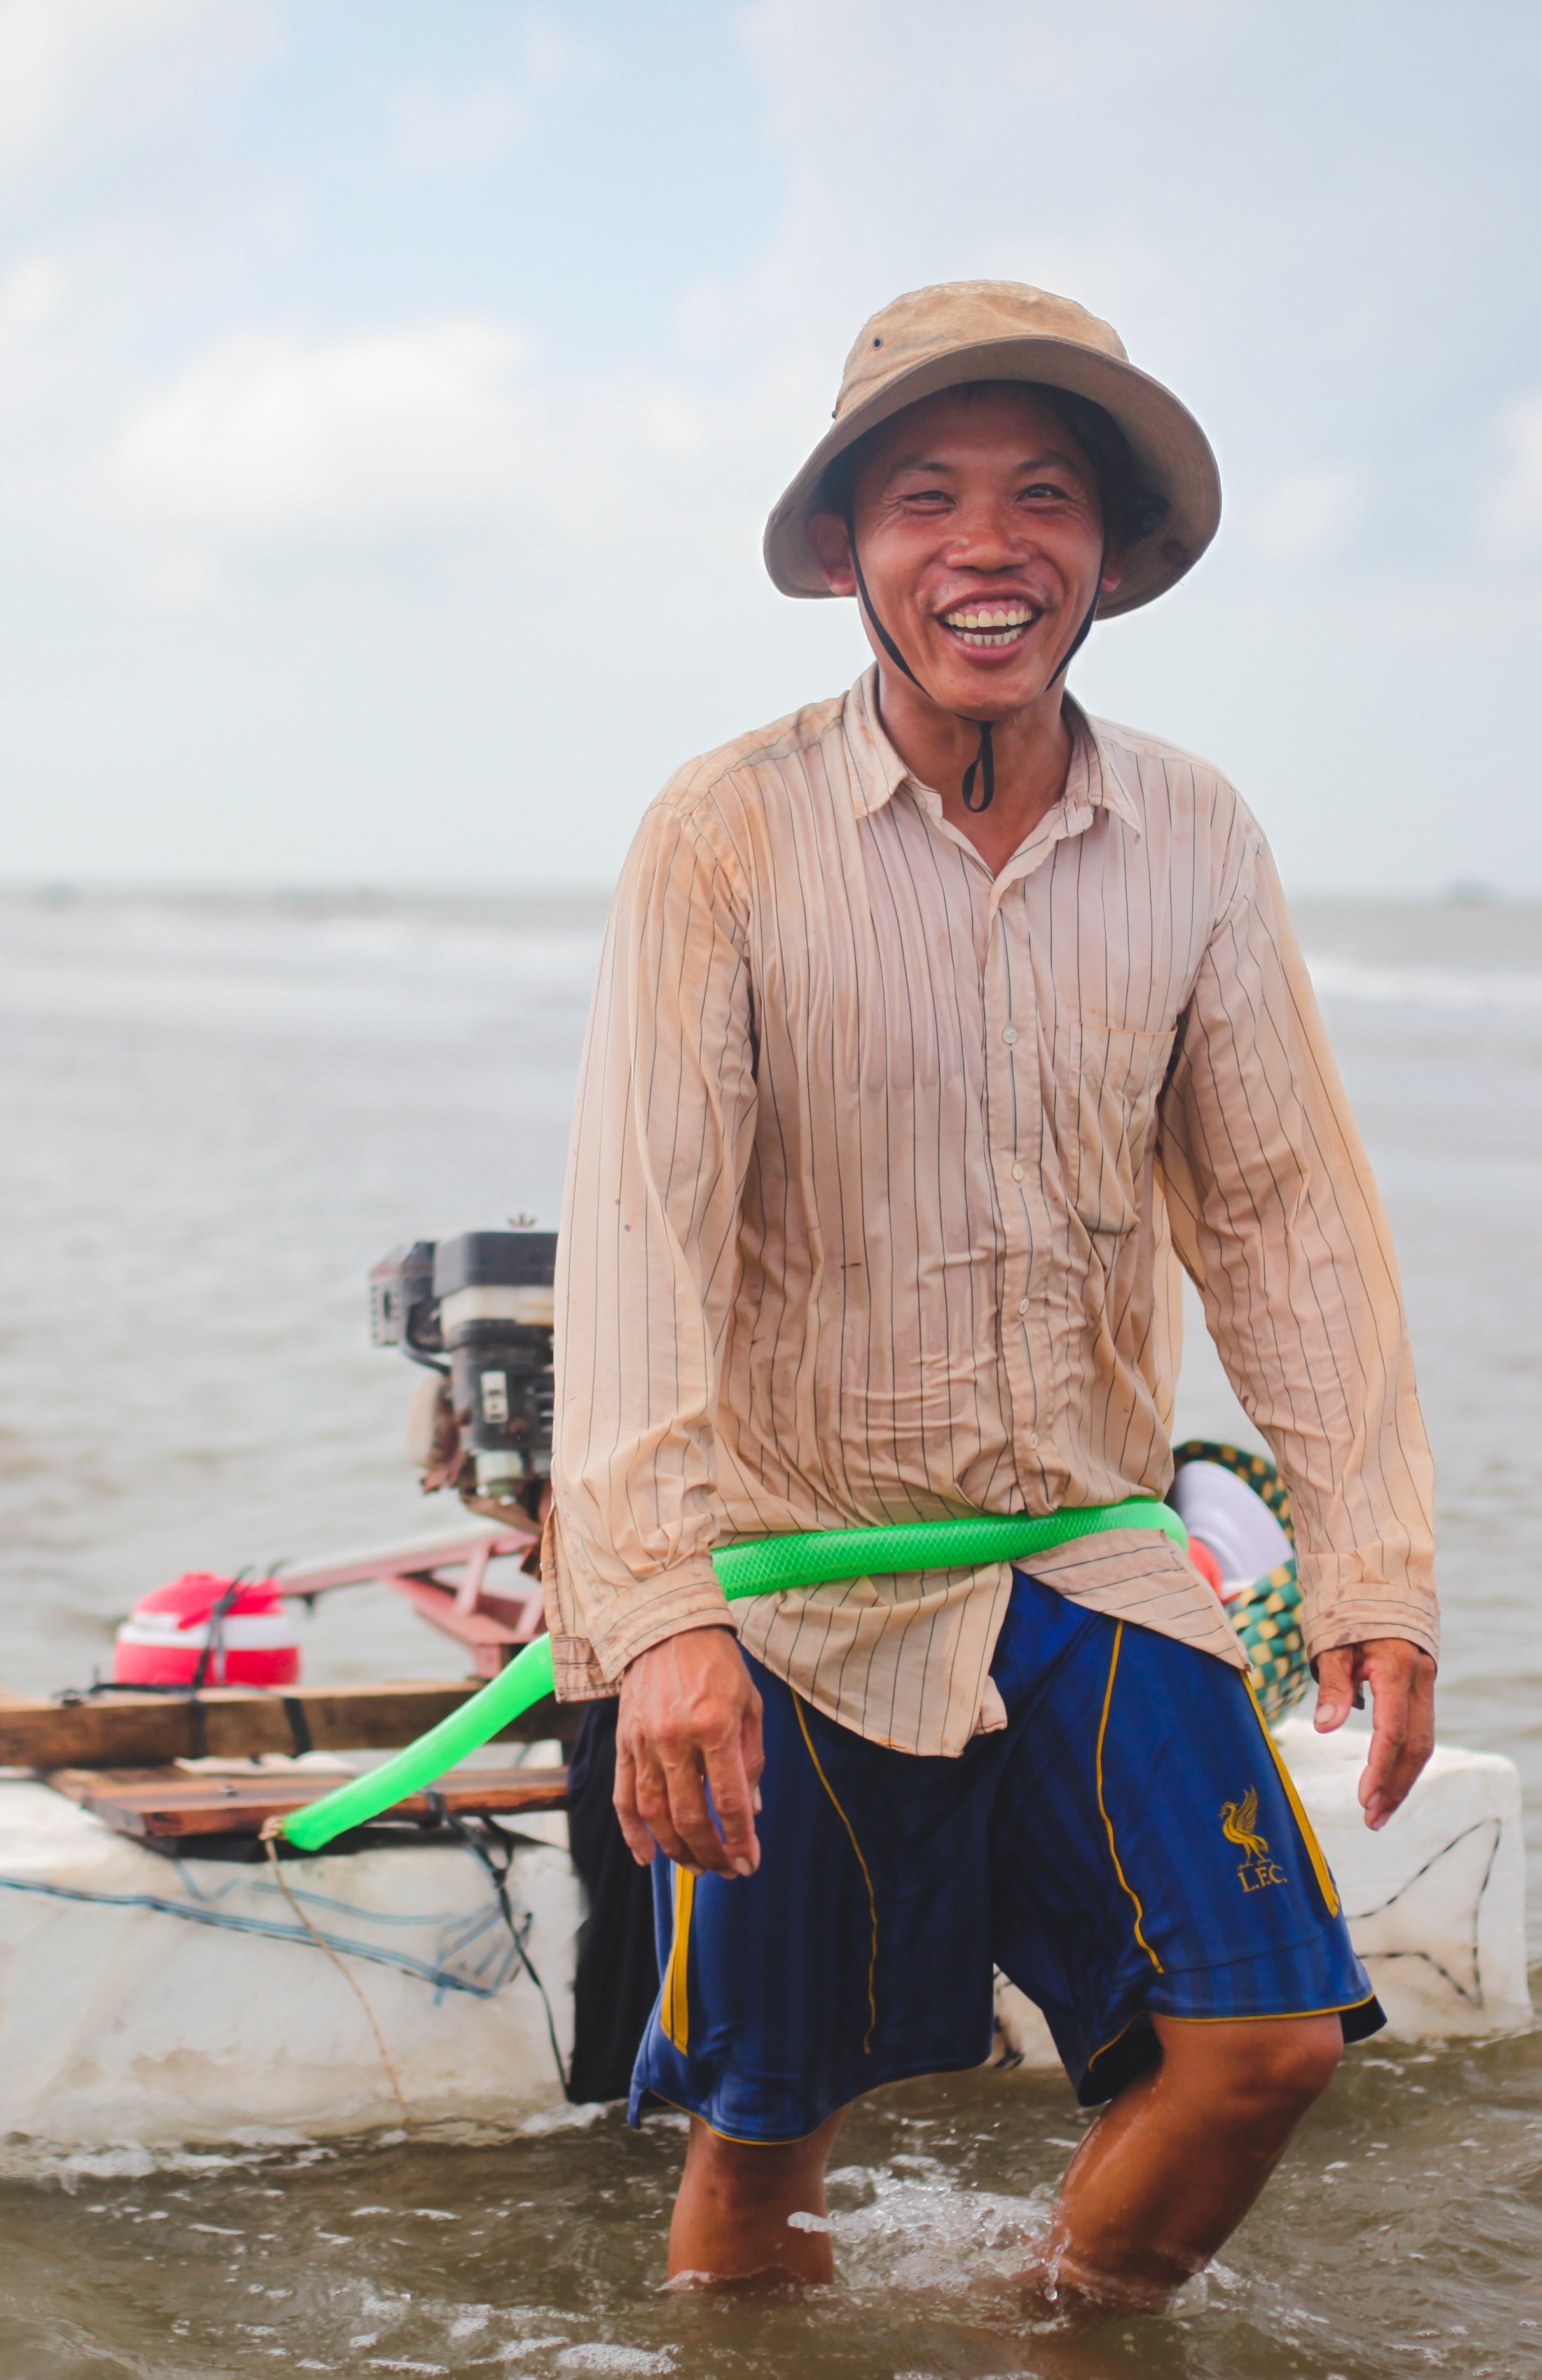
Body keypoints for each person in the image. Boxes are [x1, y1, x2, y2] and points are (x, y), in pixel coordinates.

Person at [546, 282, 1442, 2311]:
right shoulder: (721, 835)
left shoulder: (1195, 832)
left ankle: (1063, 2340)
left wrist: (1377, 1565)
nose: (987, 547)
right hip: (797, 1580)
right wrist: (665, 1615)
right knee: (766, 2137)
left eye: (1043, 496)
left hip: (1089, 1551)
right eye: (926, 498)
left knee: (1265, 2045)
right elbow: (642, 1243)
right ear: (851, 554)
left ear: (1110, 555)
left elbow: (1283, 1209)